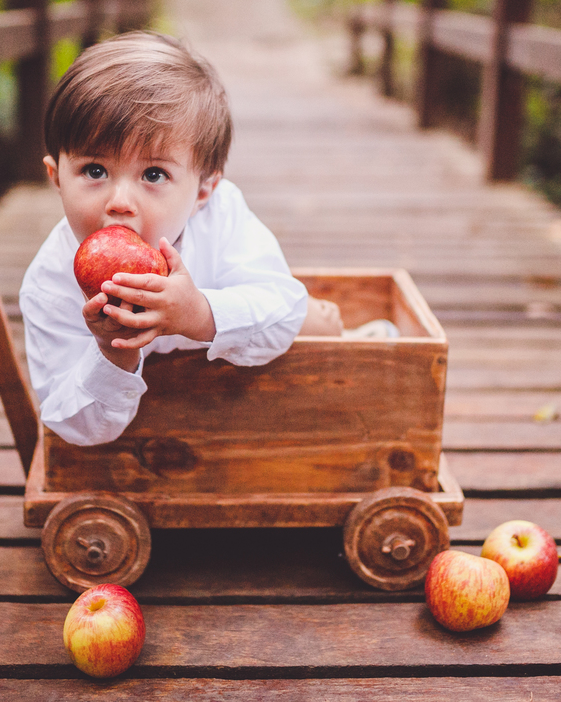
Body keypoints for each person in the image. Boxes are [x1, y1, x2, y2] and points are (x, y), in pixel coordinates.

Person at [19, 31, 342, 447]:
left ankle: (363, 336)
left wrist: (199, 314)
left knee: (319, 323)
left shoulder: (220, 214)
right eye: (94, 170)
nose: (120, 202)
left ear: (203, 192)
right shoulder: (50, 284)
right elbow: (73, 425)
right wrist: (112, 350)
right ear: (56, 177)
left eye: (154, 175)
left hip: (240, 420)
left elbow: (283, 306)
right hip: (143, 453)